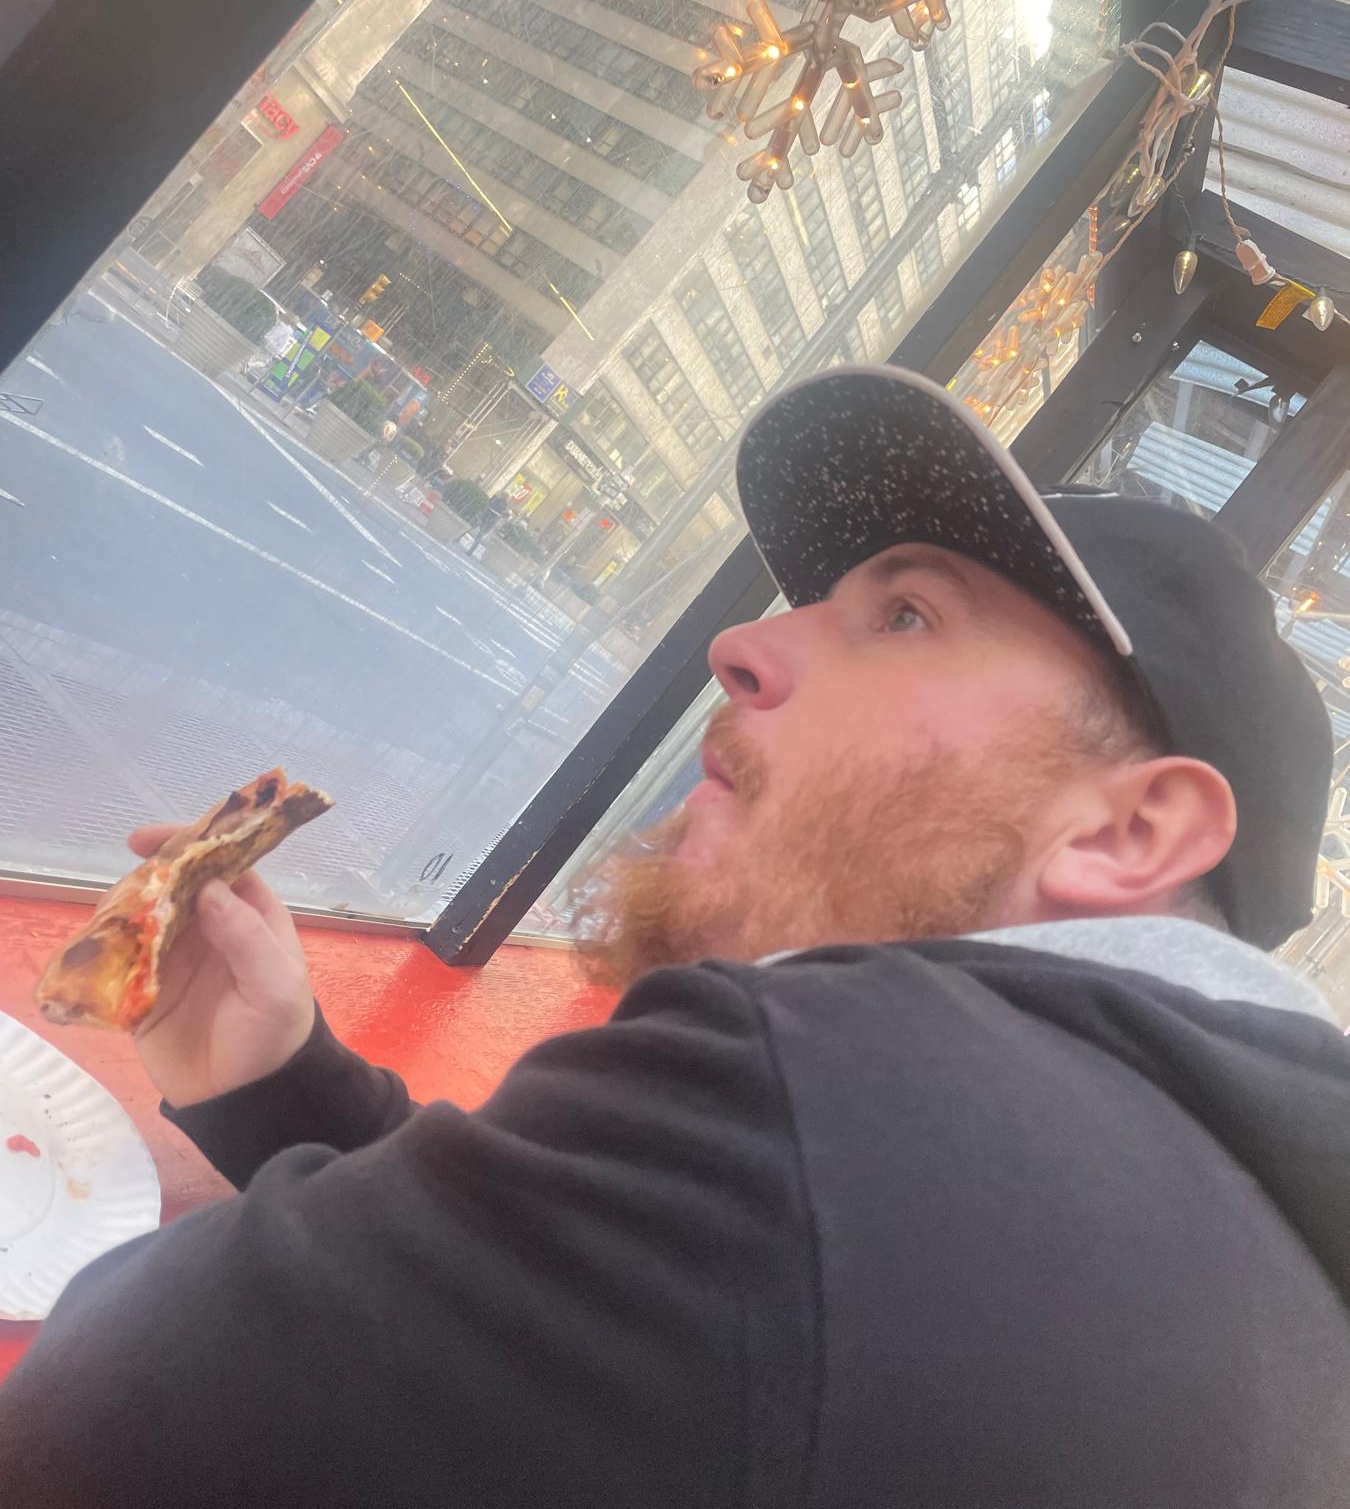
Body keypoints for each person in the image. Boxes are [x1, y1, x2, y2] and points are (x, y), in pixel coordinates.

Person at [4, 365, 1349, 1506]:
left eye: (905, 615)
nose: (741, 647)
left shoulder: (835, 1098)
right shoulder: (1234, 1275)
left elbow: (89, 1425)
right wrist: (276, 1081)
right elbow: (606, 1334)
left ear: (1129, 833)